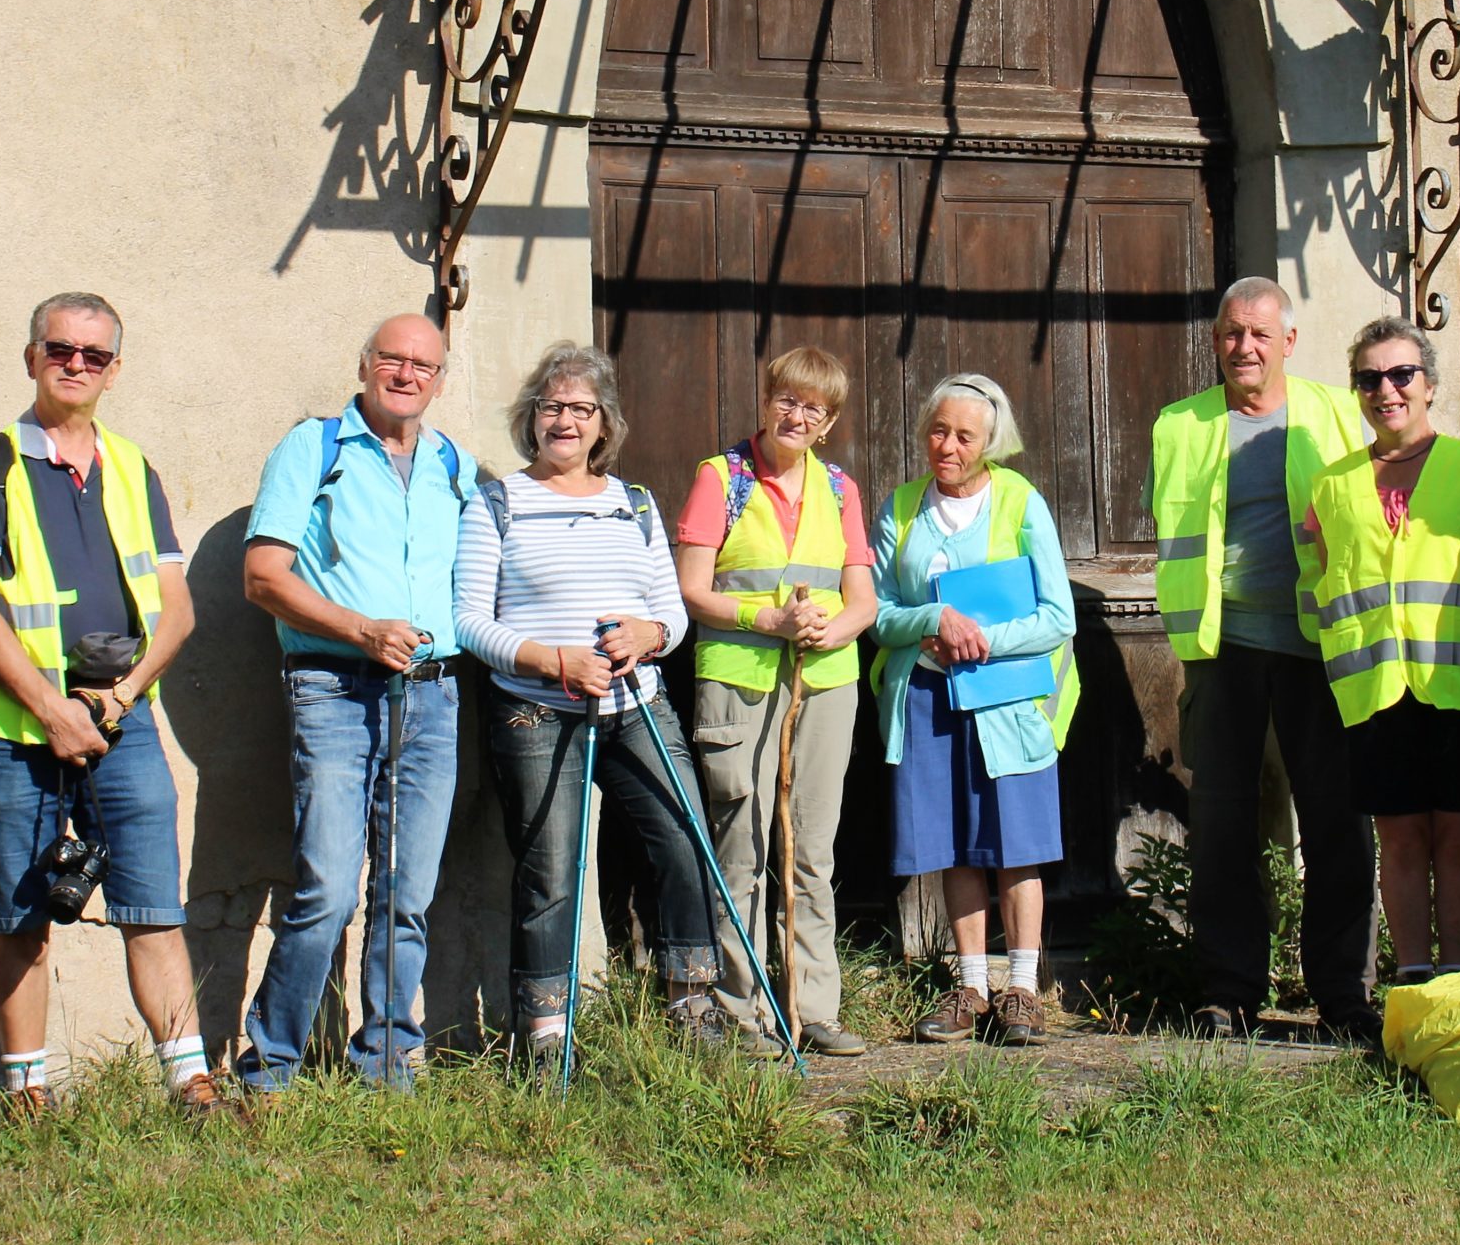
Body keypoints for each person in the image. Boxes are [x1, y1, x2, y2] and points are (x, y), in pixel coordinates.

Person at [0, 293, 219, 1119]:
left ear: (114, 371)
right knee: (22, 917)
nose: (75, 363)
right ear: (31, 356)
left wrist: (120, 699)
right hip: (12, 728)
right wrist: (53, 709)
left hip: (122, 725)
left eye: (93, 355)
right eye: (59, 348)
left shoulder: (135, 467)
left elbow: (180, 610)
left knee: (153, 908)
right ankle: (27, 1090)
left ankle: (190, 1082)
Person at [454, 343, 721, 1057]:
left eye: (580, 409)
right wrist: (551, 659)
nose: (564, 420)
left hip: (635, 703)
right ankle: (544, 1033)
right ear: (530, 419)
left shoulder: (633, 504)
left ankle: (691, 1005)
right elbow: (469, 620)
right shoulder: (498, 503)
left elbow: (673, 612)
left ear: (605, 424)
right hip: (537, 711)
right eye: (550, 407)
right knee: (550, 867)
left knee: (684, 837)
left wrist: (647, 634)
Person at [236, 313, 470, 1096]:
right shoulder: (315, 448)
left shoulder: (454, 466)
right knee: (328, 891)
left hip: (433, 697)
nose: (406, 376)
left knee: (407, 894)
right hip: (335, 688)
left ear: (441, 379)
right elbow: (263, 576)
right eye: (392, 360)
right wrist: (360, 629)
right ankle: (268, 1068)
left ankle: (386, 1068)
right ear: (365, 364)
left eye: (423, 366)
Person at [1147, 276, 1379, 1043]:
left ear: (1287, 343)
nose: (1242, 347)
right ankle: (1231, 988)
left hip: (1323, 647)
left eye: (1257, 333)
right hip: (1223, 649)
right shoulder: (1179, 425)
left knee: (1338, 822)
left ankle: (1343, 991)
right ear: (1215, 342)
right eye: (1229, 334)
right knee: (1221, 827)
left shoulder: (1338, 413)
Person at [1305, 318, 1460, 987]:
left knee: (1459, 837)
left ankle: (1458, 977)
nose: (1386, 390)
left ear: (1429, 385)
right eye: (1369, 378)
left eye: (1401, 374)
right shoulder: (1331, 486)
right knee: (1397, 842)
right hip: (1377, 695)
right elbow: (1328, 586)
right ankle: (1412, 980)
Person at [674, 347, 879, 1057]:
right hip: (740, 683)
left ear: (829, 421)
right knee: (745, 846)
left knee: (811, 851)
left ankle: (812, 1007)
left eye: (813, 407)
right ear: (767, 401)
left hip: (823, 685)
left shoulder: (841, 489)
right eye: (787, 400)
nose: (797, 416)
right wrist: (767, 621)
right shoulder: (719, 479)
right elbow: (692, 589)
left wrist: (830, 628)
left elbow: (863, 599)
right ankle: (744, 1010)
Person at [869, 374, 1078, 1046]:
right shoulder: (901, 508)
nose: (947, 446)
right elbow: (876, 612)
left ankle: (1021, 989)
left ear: (992, 442)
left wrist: (984, 638)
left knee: (1016, 845)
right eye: (938, 431)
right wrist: (934, 620)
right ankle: (971, 988)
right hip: (928, 697)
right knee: (953, 844)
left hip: (1007, 699)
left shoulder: (1020, 502)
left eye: (964, 435)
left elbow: (1057, 616)